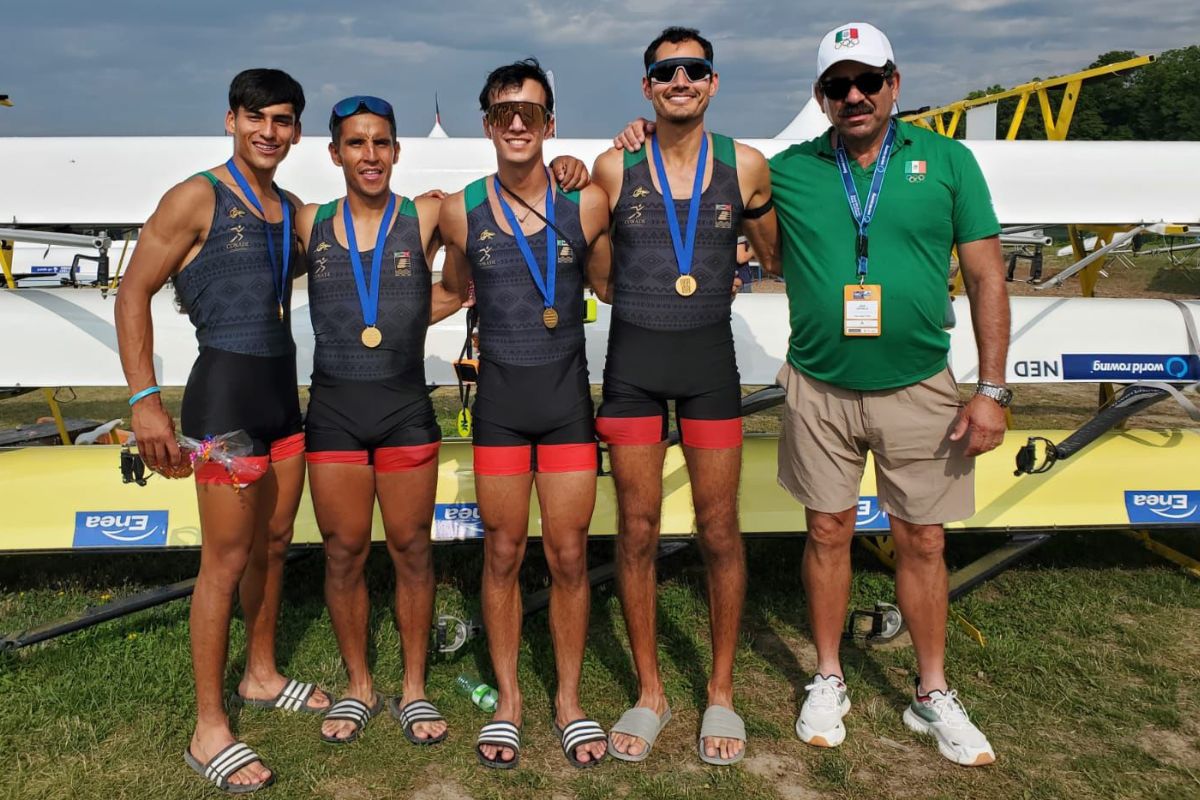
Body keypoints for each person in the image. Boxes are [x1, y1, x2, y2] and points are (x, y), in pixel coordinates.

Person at [769, 22, 1008, 767]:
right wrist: (644, 127)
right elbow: (703, 168)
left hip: (920, 387)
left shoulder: (947, 162)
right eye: (837, 85)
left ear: (894, 84)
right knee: (828, 533)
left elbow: (987, 277)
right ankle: (829, 674)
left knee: (924, 539)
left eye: (867, 81)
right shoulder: (790, 168)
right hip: (818, 384)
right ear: (821, 97)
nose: (855, 96)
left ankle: (932, 690)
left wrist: (991, 388)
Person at [115, 68, 329, 794]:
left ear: (296, 130)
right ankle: (209, 727)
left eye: (284, 120)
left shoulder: (289, 206)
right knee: (225, 561)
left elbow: (357, 229)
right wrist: (145, 399)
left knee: (273, 544)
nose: (271, 132)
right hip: (226, 407)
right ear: (232, 120)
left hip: (281, 402)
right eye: (257, 118)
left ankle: (261, 675)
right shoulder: (197, 196)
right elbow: (133, 289)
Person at [587, 27, 778, 766]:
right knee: (635, 528)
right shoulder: (614, 163)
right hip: (634, 364)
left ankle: (721, 690)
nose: (680, 79)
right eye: (665, 71)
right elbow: (599, 275)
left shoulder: (747, 165)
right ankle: (650, 690)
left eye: (693, 69)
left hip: (708, 367)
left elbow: (775, 257)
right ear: (647, 88)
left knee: (719, 528)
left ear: (712, 81)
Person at [438, 58, 613, 770]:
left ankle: (568, 701)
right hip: (503, 407)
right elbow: (450, 288)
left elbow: (612, 277)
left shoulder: (589, 200)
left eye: (531, 113)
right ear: (487, 123)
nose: (517, 123)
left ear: (550, 123)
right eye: (504, 112)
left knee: (570, 554)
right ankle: (509, 701)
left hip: (567, 401)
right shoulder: (459, 208)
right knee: (504, 552)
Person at [294, 95, 462, 747]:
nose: (370, 154)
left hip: (403, 408)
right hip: (334, 410)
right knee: (342, 553)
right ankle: (360, 685)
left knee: (413, 551)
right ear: (334, 153)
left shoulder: (424, 216)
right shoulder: (309, 220)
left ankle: (414, 689)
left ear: (397, 150)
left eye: (382, 142)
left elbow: (481, 249)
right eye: (356, 143)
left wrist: (566, 164)